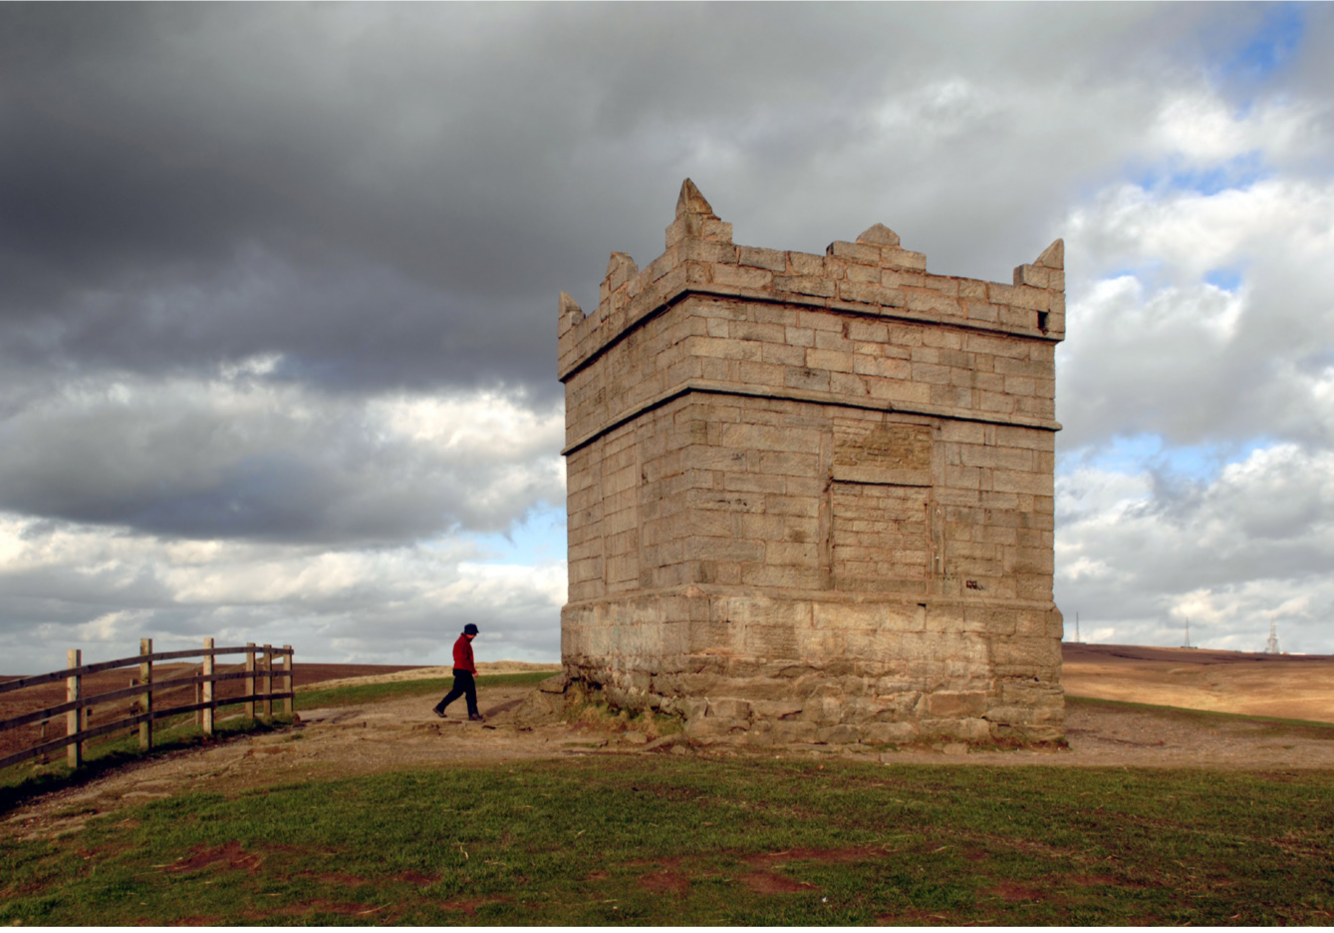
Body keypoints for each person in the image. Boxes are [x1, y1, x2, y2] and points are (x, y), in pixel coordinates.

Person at [432, 623, 484, 721]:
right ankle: (440, 707)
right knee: (459, 692)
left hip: (463, 670)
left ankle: (473, 714)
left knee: (470, 693)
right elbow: (463, 659)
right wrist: (473, 671)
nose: (475, 636)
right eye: (474, 634)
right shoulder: (462, 643)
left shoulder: (463, 642)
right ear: (469, 633)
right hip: (463, 671)